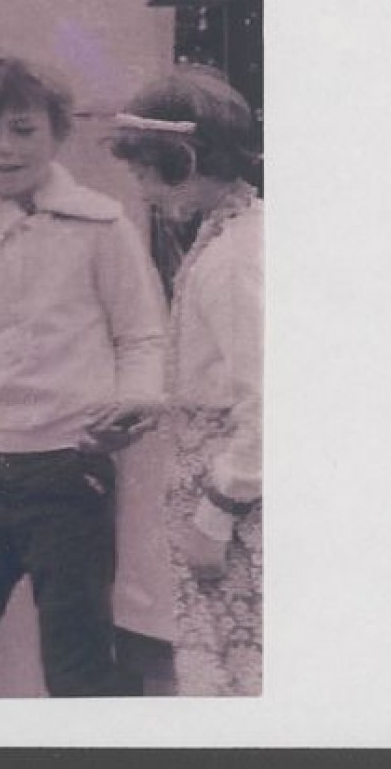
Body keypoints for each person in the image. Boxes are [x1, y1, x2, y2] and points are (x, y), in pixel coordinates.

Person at [0, 53, 168, 700]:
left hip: (68, 474)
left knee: (78, 667)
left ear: (57, 132)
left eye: (24, 129)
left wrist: (132, 405)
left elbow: (141, 335)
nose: (6, 148)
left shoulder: (102, 226)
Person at [108, 68, 264, 697]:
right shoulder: (227, 239)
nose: (142, 189)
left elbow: (267, 398)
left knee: (235, 673)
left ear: (184, 161)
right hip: (212, 492)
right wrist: (161, 407)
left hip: (231, 512)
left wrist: (218, 515)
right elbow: (218, 376)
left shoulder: (234, 261)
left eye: (147, 171)